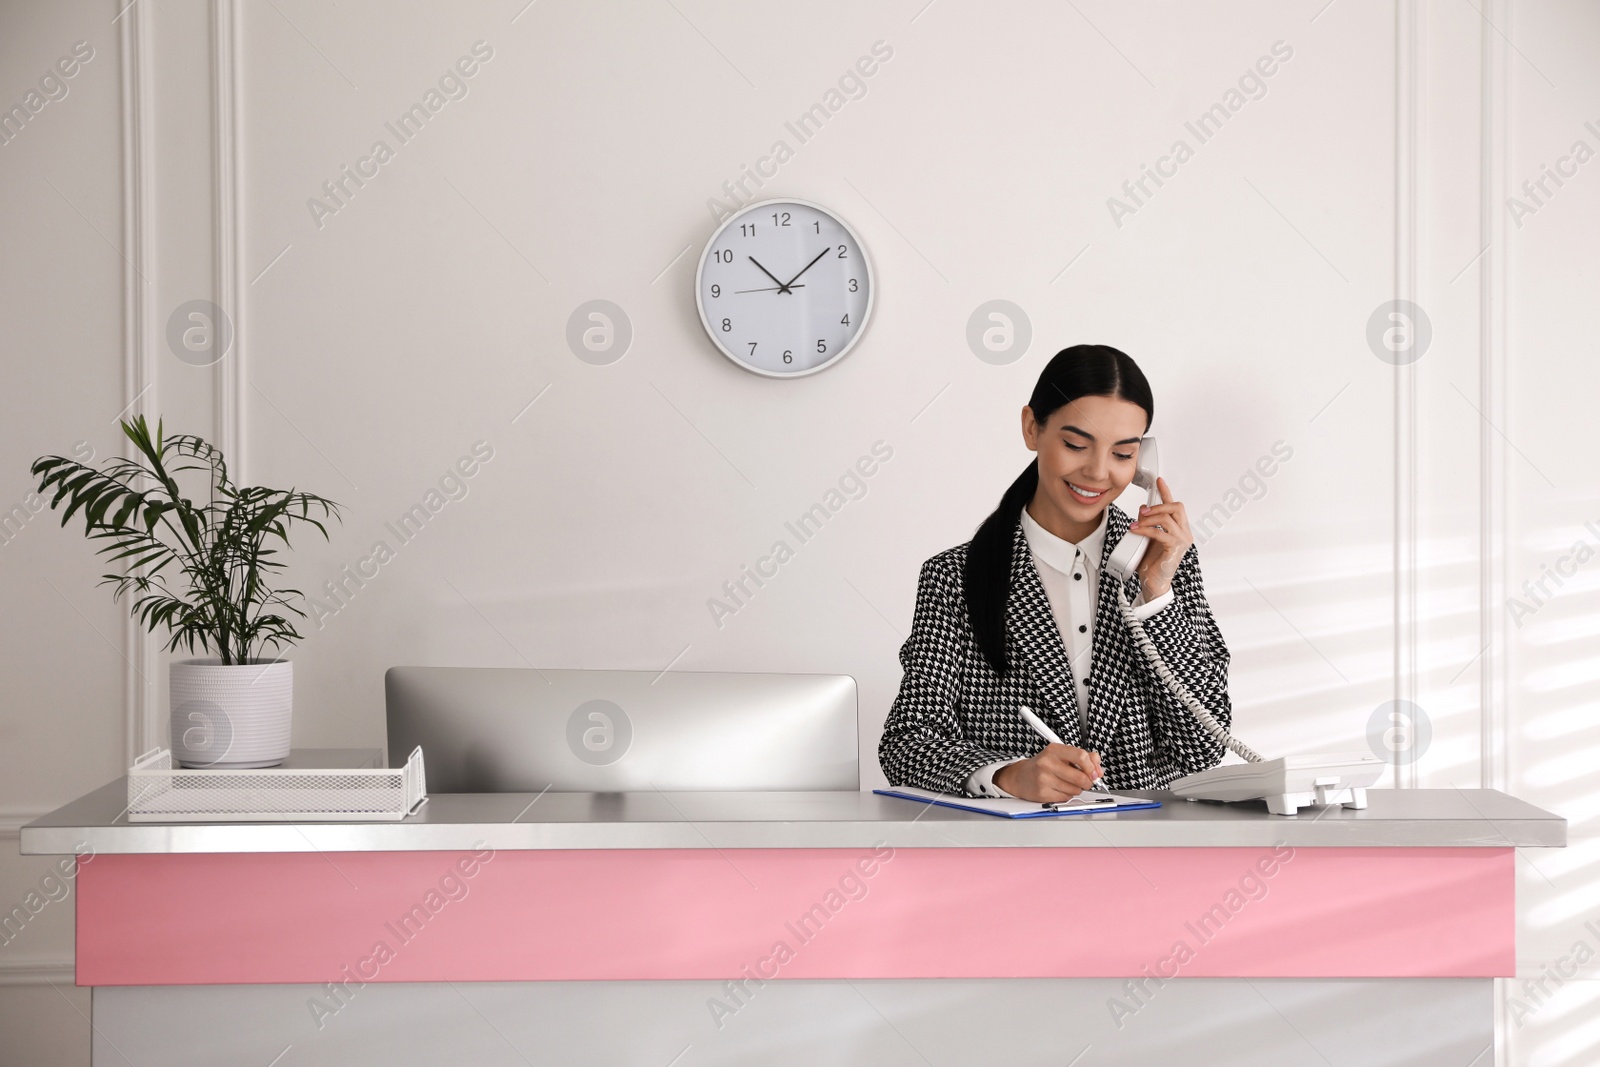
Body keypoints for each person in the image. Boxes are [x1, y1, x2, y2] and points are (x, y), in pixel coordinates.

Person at [877, 344, 1232, 803]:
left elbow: (1203, 747)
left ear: (1143, 462)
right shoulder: (954, 577)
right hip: (1018, 851)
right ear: (1032, 428)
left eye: (1123, 455)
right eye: (1075, 445)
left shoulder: (1164, 560)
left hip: (1143, 849)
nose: (1098, 472)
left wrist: (1156, 592)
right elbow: (907, 743)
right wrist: (1006, 776)